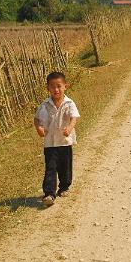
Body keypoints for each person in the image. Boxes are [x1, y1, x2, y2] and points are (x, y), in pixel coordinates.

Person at [34, 71, 80, 207]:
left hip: (65, 142)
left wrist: (70, 128)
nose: (56, 89)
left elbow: (74, 117)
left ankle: (64, 187)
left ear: (65, 86)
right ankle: (49, 193)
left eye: (59, 86)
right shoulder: (44, 105)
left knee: (65, 167)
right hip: (50, 143)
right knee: (51, 168)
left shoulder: (69, 103)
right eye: (52, 86)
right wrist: (39, 129)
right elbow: (36, 119)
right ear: (48, 88)